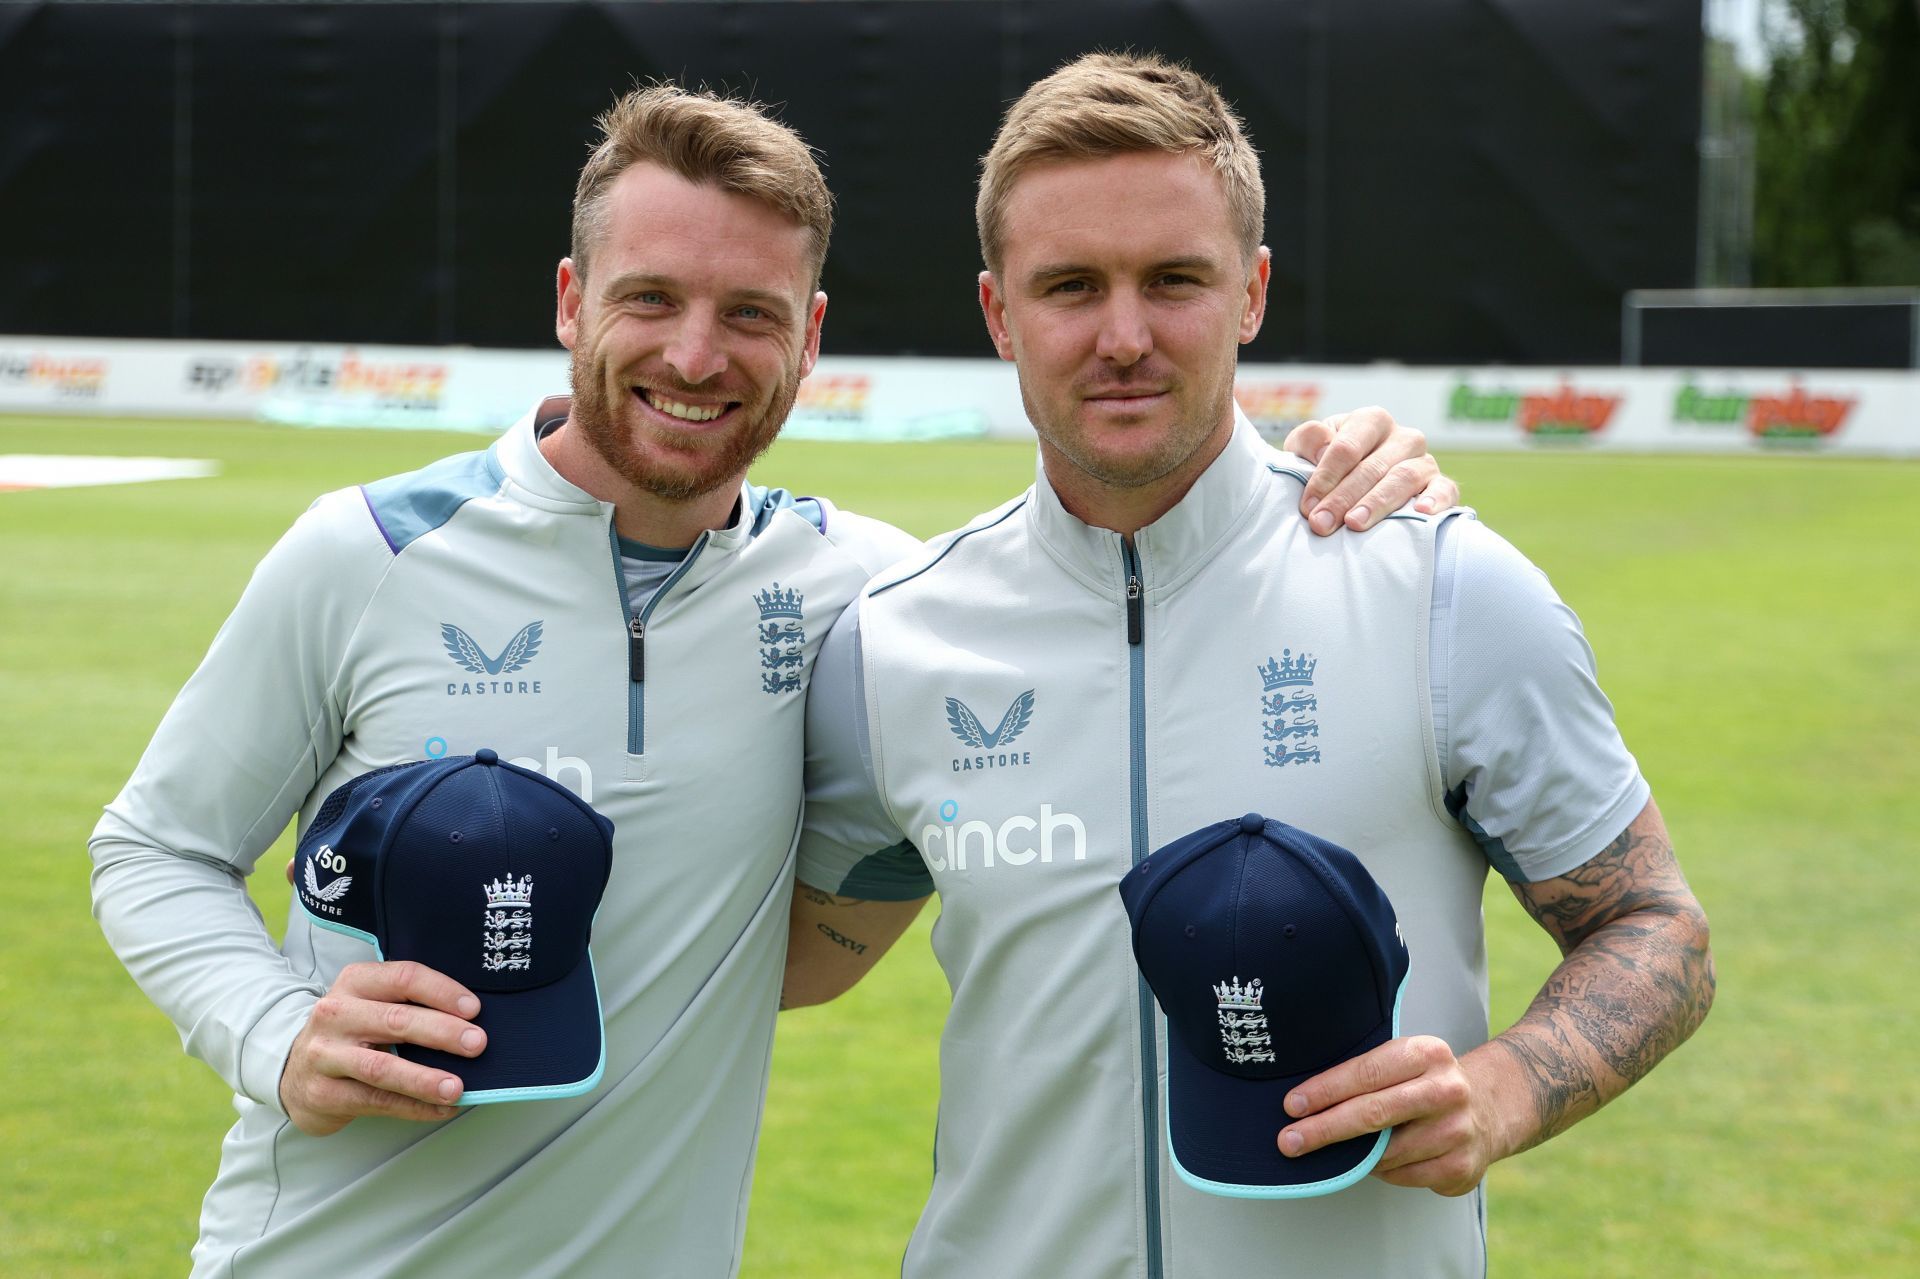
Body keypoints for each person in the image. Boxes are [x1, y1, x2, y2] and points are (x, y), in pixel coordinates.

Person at [89, 82, 1449, 1277]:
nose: (695, 357)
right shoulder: (370, 551)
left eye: (749, 313)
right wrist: (272, 1028)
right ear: (572, 301)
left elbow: (1069, 600)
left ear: (809, 339)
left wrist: (1338, 472)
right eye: (650, 300)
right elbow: (152, 845)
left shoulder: (864, 592)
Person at [789, 52, 1716, 1278]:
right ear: (999, 313)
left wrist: (1497, 1092)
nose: (1124, 335)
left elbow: (1658, 930)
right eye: (1070, 285)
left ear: (1253, 292)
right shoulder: (895, 637)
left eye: (1174, 279)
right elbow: (776, 952)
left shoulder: (1439, 586)